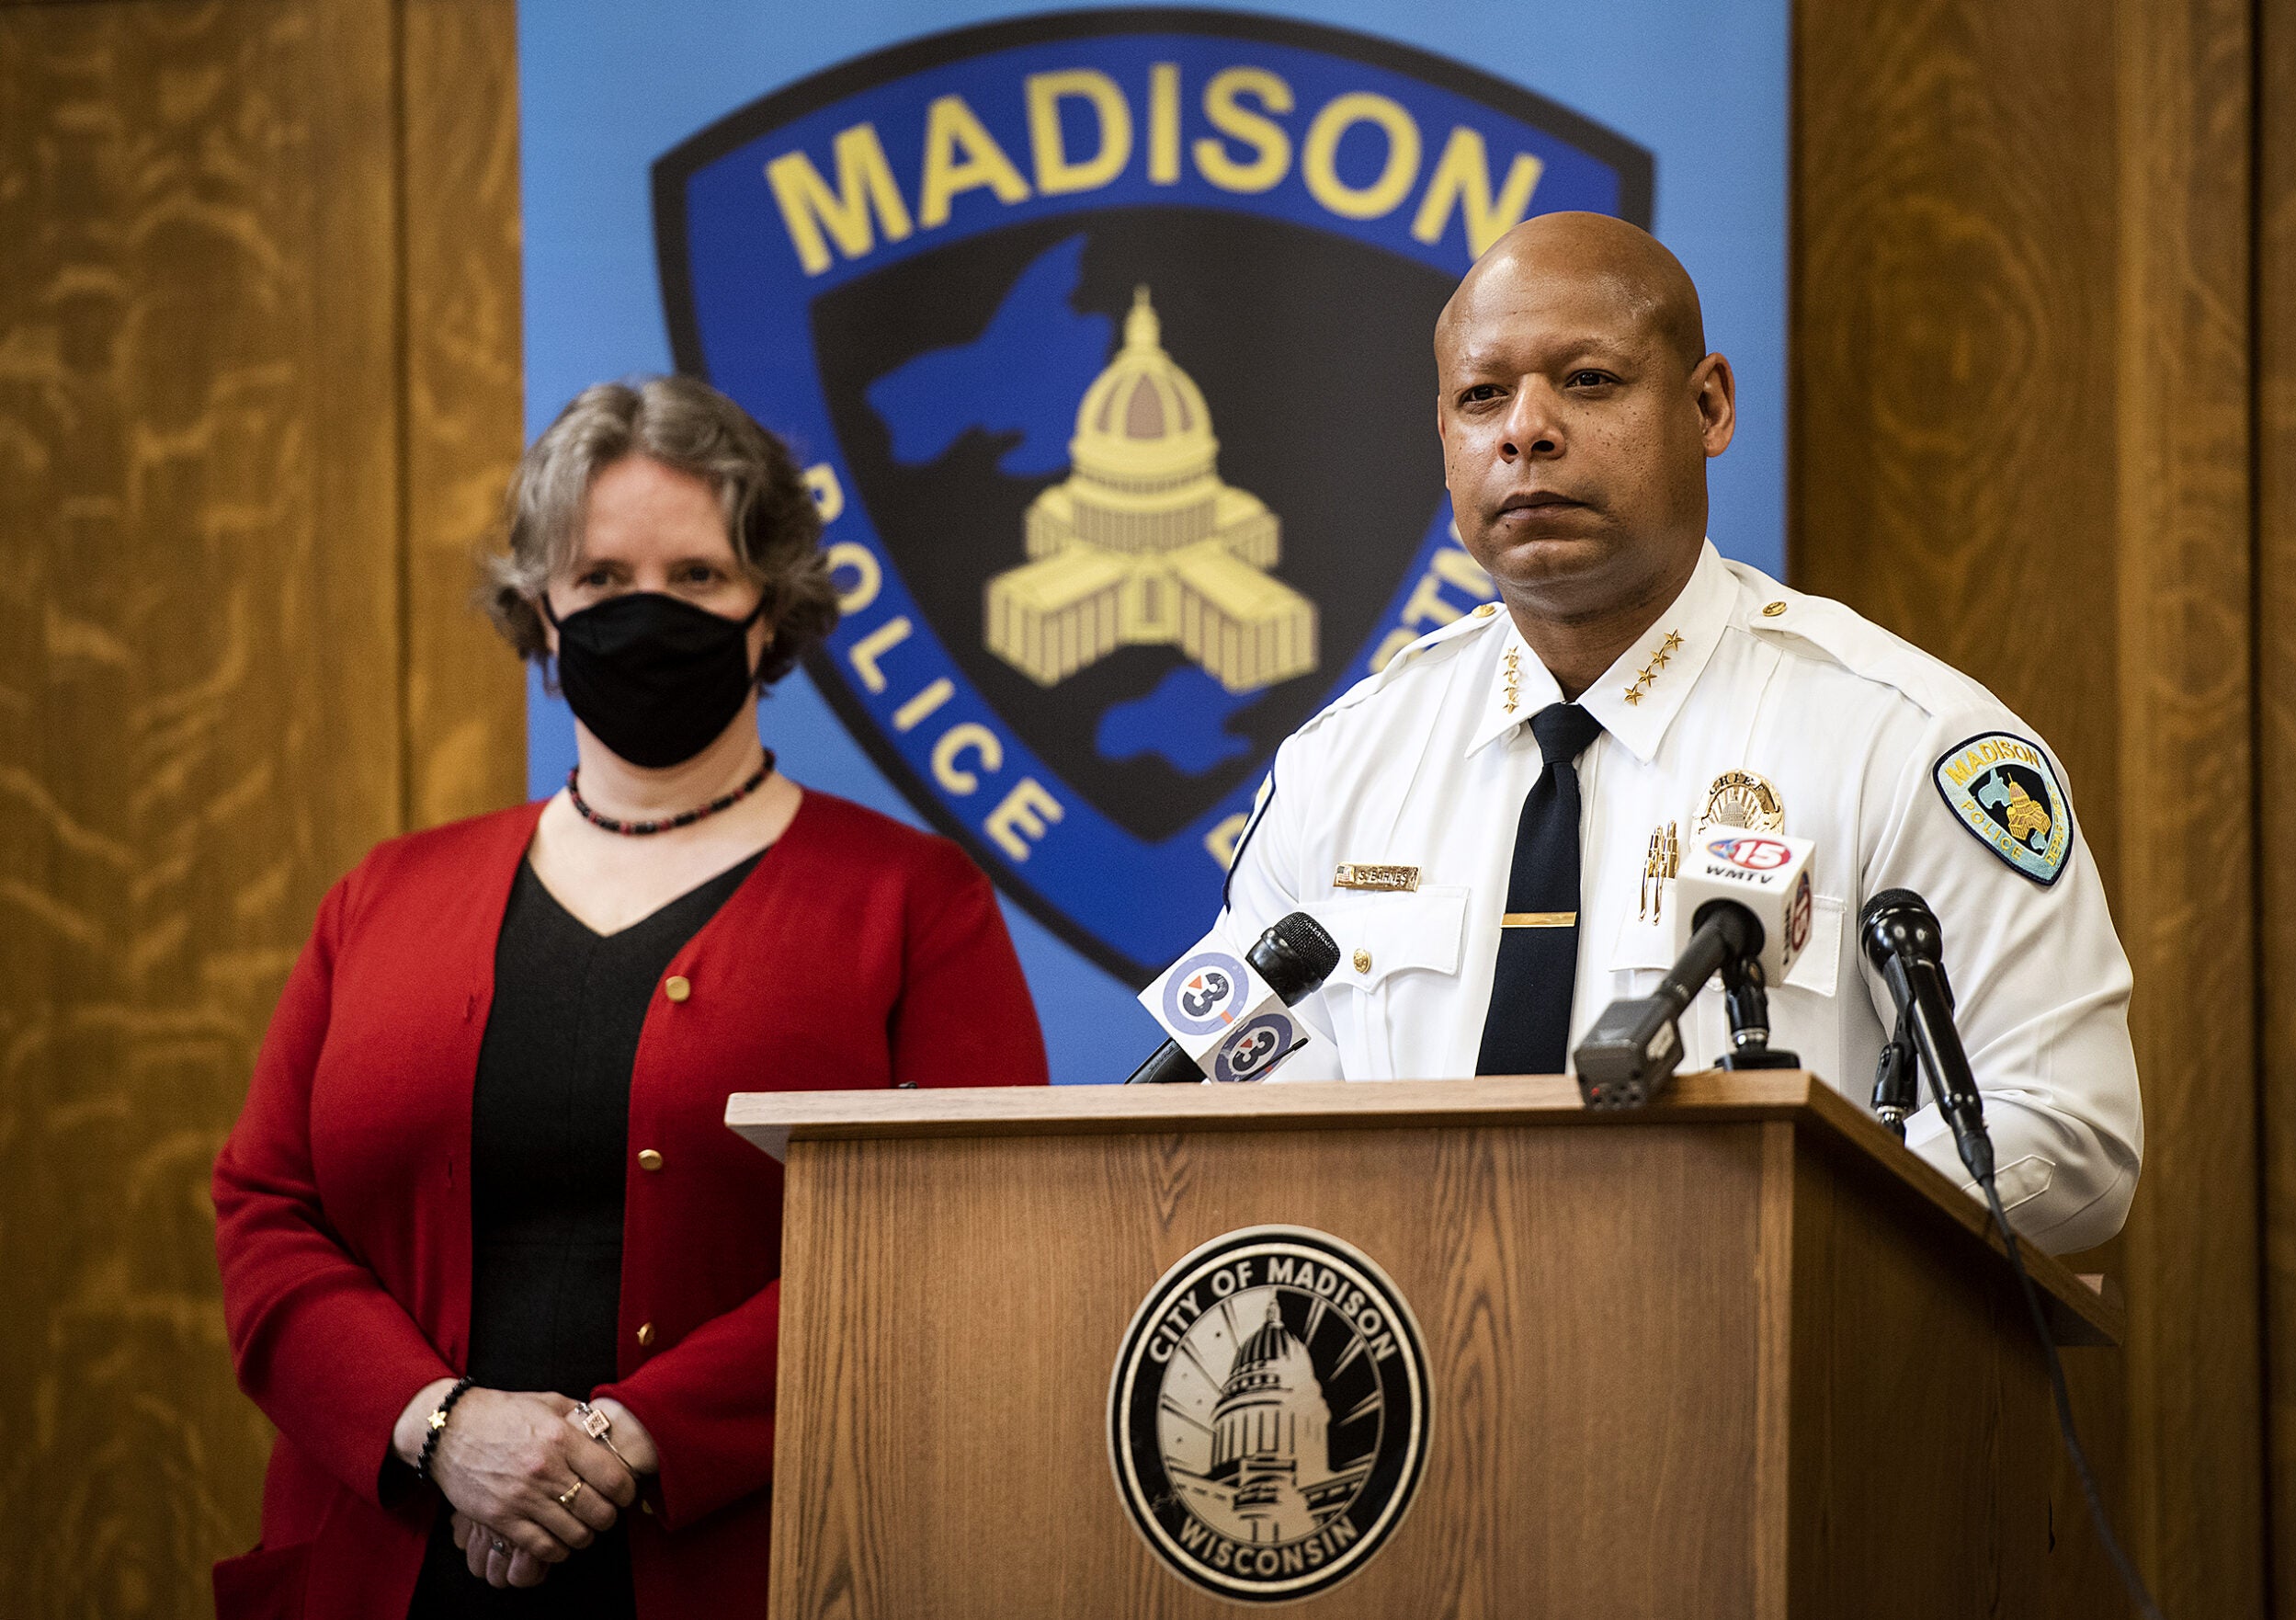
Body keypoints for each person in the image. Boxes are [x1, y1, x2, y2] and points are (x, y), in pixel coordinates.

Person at [210, 376, 1050, 1620]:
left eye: (698, 576)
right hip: (387, 1568)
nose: (645, 613)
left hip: (763, 1562)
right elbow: (265, 1208)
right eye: (601, 579)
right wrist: (444, 1428)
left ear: (771, 612)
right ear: (541, 613)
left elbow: (969, 1233)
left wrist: (626, 1442)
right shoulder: (382, 896)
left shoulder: (913, 901)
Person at [1216, 212, 2140, 1254]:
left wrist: (1729, 1237)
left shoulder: (1905, 744)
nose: (1525, 430)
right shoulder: (1341, 765)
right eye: (1482, 396)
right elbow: (1227, 1104)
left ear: (1707, 406)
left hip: (1751, 1360)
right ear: (1444, 441)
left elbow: (2067, 1126)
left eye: (1588, 380)